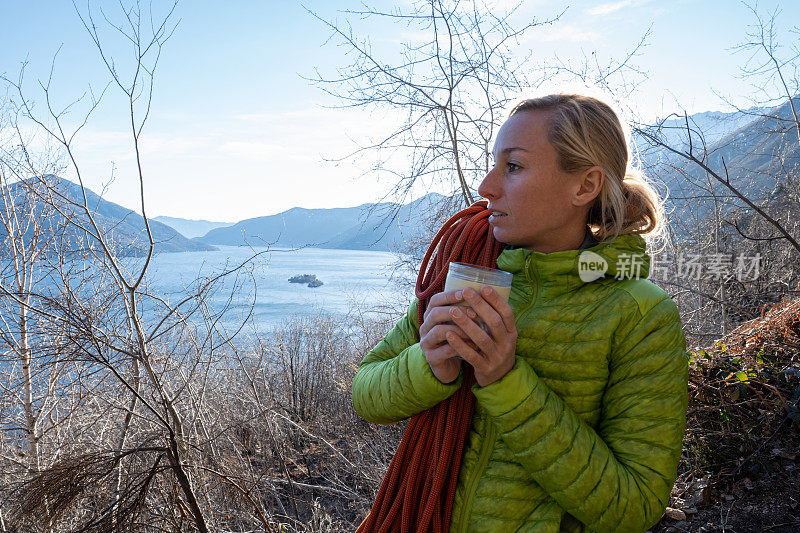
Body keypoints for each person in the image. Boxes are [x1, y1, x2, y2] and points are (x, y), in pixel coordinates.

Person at [351, 94, 689, 532]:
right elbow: (365, 392)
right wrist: (429, 364)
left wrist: (507, 383)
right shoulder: (471, 270)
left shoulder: (641, 315)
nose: (486, 187)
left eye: (512, 167)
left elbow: (634, 507)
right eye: (494, 164)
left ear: (585, 186)